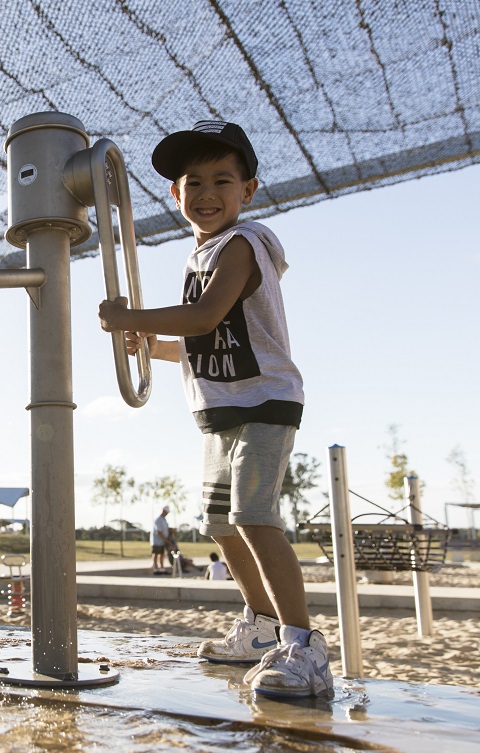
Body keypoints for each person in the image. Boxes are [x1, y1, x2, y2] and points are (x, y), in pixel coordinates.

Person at [98, 119, 330, 698]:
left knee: (254, 515)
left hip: (264, 400)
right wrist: (152, 342)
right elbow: (201, 340)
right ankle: (260, 629)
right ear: (176, 196)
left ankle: (304, 644)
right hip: (218, 410)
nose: (206, 193)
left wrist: (131, 318)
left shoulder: (245, 244)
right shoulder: (198, 254)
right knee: (221, 526)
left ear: (247, 190)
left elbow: (202, 317)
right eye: (192, 182)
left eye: (222, 180)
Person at [151, 506, 172, 575]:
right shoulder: (158, 520)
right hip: (157, 541)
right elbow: (159, 532)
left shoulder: (164, 520)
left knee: (161, 555)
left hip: (162, 541)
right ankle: (155, 569)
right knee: (156, 554)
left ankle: (162, 569)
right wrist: (166, 540)